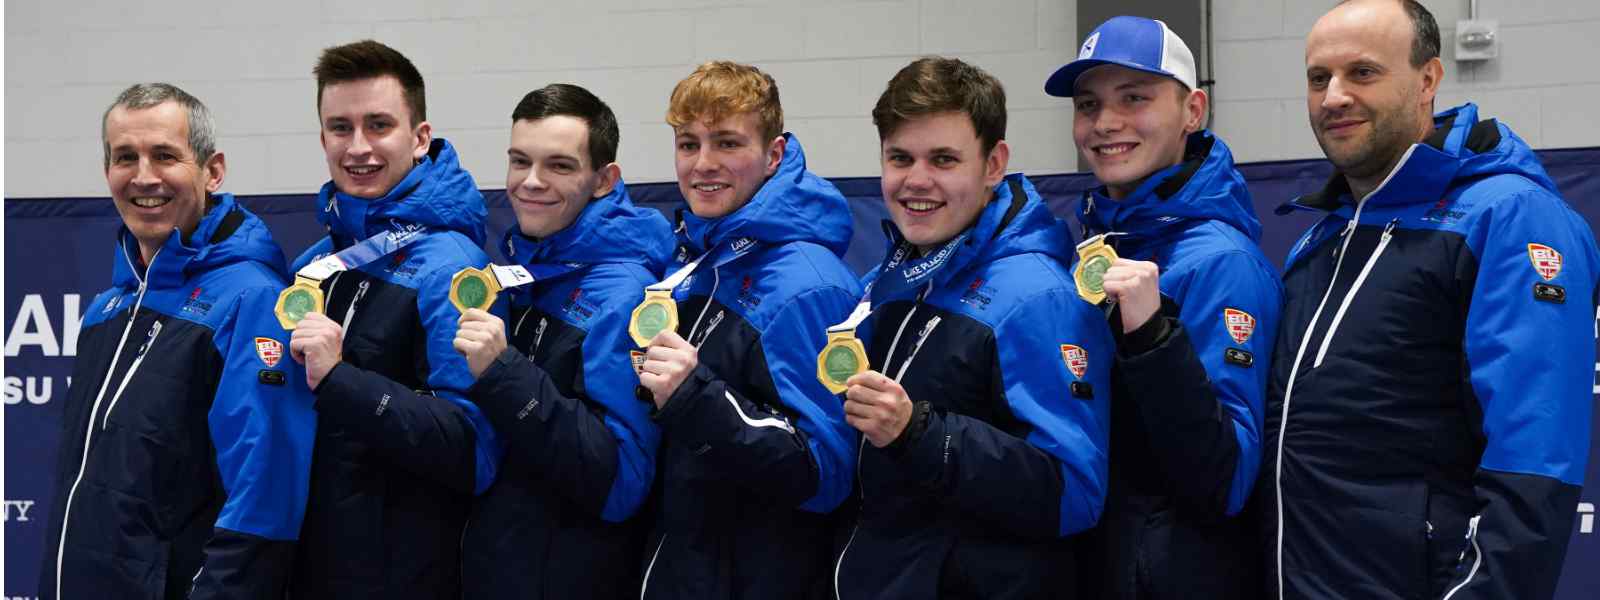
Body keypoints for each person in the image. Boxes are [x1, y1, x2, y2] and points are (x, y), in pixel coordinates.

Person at [1264, 1, 1597, 599]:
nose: (1333, 96)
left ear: (1428, 80)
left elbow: (1534, 466)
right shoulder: (1323, 235)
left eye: (1362, 72)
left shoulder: (1509, 216)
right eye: (1319, 78)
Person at [831, 56, 1114, 599]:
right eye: (899, 158)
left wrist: (921, 433)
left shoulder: (1039, 296)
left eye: (943, 159)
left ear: (992, 165)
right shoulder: (893, 279)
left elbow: (1072, 494)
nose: (916, 181)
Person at [37, 83, 316, 599]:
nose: (144, 177)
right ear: (107, 173)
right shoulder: (107, 309)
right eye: (126, 157)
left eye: (165, 155)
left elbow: (265, 497)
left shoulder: (251, 300)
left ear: (212, 171)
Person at [1045, 16, 1281, 599]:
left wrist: (1152, 337)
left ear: (1193, 111)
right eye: (1088, 103)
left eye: (1135, 98)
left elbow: (1223, 481)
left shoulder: (1222, 263)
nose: (1105, 123)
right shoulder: (1091, 245)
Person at [632, 61, 862, 599]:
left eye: (727, 143)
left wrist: (694, 397)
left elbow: (826, 473)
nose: (702, 164)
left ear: (774, 154)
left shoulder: (809, 284)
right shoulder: (701, 259)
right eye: (688, 144)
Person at [285, 40, 502, 599]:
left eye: (379, 124)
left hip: (403, 579)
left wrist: (342, 381)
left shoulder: (453, 265)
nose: (358, 147)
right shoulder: (313, 265)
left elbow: (472, 450)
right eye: (341, 127)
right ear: (322, 138)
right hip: (308, 569)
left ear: (420, 137)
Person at [451, 83, 674, 598]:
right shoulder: (523, 265)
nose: (530, 182)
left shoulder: (626, 295)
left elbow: (621, 481)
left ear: (603, 179)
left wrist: (505, 371)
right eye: (519, 161)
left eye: (559, 166)